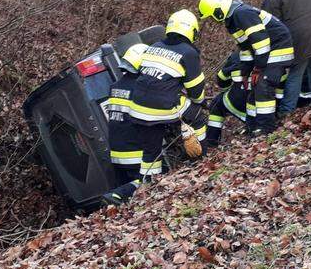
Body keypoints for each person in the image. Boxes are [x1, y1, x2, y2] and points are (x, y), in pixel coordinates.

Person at [106, 11, 205, 199]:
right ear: (191, 30)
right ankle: (202, 156)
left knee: (151, 154)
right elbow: (195, 89)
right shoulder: (189, 53)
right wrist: (199, 102)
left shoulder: (153, 48)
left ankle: (148, 192)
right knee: (198, 115)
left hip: (137, 113)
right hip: (161, 107)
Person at [198, 0, 295, 134]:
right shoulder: (232, 21)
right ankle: (253, 127)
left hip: (278, 48)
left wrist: (258, 69)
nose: (213, 21)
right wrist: (245, 73)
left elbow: (261, 43)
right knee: (253, 88)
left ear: (218, 11)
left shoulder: (241, 14)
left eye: (212, 17)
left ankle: (266, 129)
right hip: (267, 51)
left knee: (263, 85)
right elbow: (246, 49)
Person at [102, 43, 150, 204]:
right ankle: (116, 194)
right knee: (154, 177)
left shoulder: (114, 87)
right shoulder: (140, 89)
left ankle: (120, 197)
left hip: (116, 154)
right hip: (134, 155)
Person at [204, 50, 249, 150]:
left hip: (241, 102)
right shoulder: (269, 52)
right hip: (268, 104)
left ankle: (211, 142)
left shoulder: (236, 56)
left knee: (217, 104)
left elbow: (222, 80)